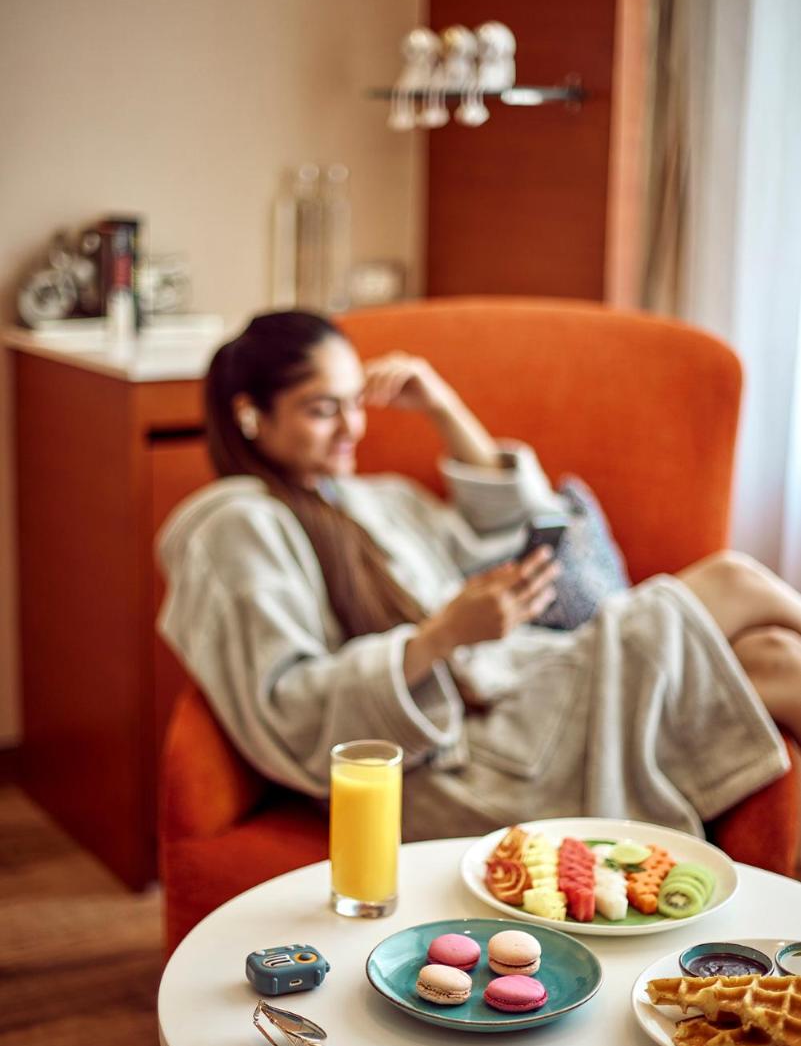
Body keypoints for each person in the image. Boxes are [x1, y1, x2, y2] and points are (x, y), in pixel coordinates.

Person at [156, 311, 801, 841]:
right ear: (250, 415)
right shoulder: (237, 529)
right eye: (323, 409)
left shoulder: (371, 499)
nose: (353, 427)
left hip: (519, 693)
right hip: (458, 765)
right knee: (734, 582)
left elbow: (524, 528)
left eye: (355, 404)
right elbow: (285, 709)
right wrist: (440, 637)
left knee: (771, 655)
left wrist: (442, 406)